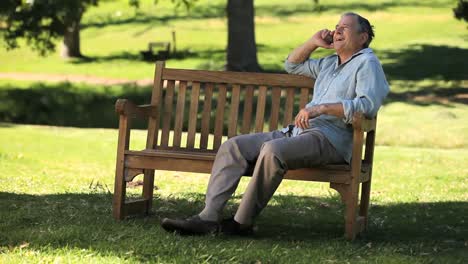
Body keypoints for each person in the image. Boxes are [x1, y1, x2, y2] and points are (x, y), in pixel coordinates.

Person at [161, 12, 390, 236]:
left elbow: (366, 105)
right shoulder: (329, 63)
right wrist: (313, 42)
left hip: (329, 139)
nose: (337, 30)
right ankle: (207, 218)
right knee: (233, 146)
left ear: (363, 37)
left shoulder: (367, 63)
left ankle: (242, 222)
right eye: (337, 26)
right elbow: (292, 65)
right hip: (296, 133)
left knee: (272, 151)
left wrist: (321, 108)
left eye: (345, 27)